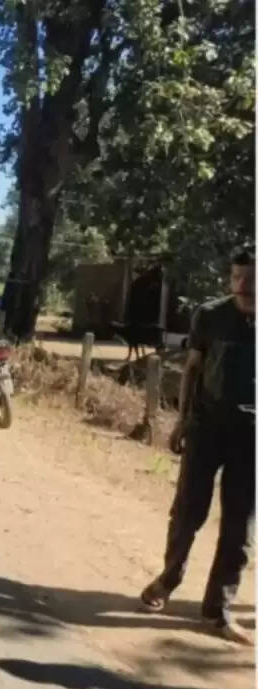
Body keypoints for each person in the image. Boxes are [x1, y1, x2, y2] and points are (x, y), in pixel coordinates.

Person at [139, 246, 255, 644]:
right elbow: (192, 370)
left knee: (239, 528)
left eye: (251, 277)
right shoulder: (210, 315)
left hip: (251, 439)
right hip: (207, 430)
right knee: (188, 512)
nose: (243, 285)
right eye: (237, 276)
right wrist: (182, 420)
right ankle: (167, 581)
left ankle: (218, 610)